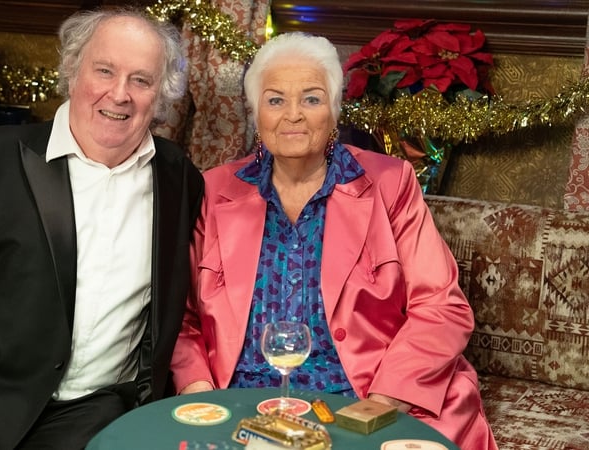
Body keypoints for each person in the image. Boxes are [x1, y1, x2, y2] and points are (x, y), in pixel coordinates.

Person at [0, 7, 203, 450]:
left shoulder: (179, 178)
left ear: (160, 97)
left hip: (91, 411)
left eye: (141, 80)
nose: (119, 94)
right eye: (104, 70)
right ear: (72, 71)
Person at [170, 32, 498, 450]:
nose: (293, 115)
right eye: (275, 100)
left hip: (363, 393)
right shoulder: (214, 191)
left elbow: (441, 306)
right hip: (240, 399)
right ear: (255, 114)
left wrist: (380, 404)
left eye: (311, 98)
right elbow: (180, 318)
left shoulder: (389, 183)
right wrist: (200, 395)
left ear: (334, 110)